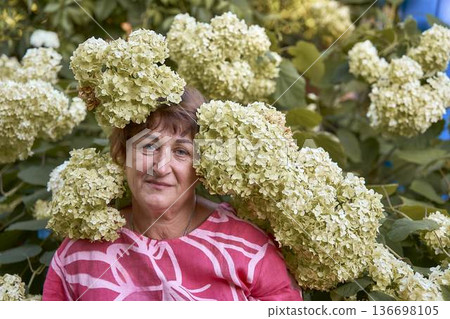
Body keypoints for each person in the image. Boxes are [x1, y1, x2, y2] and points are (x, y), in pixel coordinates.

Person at [42, 86, 303, 301]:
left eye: (181, 151)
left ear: (202, 166)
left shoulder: (250, 250)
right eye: (148, 146)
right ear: (123, 155)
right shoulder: (78, 254)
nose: (161, 166)